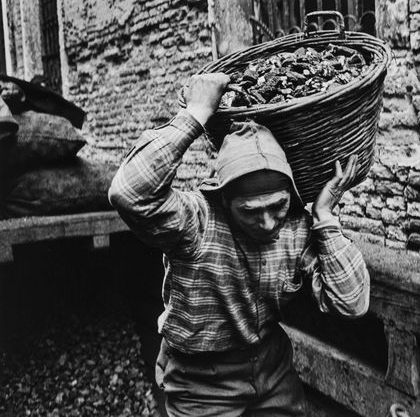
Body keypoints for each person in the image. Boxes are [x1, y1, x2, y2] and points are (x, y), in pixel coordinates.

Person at [108, 72, 370, 417]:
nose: (267, 223)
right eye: (250, 211)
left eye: (277, 206)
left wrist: (324, 215)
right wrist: (196, 114)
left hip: (273, 369)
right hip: (201, 381)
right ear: (224, 200)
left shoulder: (295, 227)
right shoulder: (197, 221)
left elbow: (352, 303)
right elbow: (128, 192)